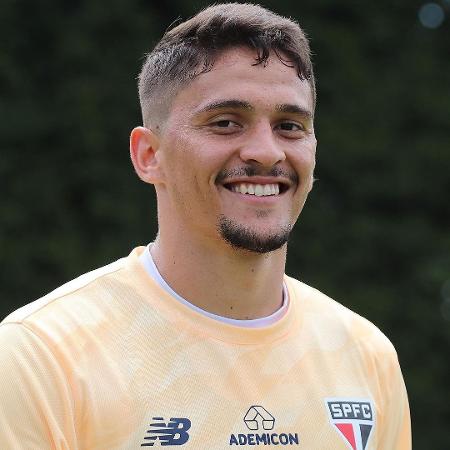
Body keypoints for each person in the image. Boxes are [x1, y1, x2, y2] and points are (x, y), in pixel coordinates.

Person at [0, 3, 411, 449]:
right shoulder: (39, 358)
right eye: (226, 122)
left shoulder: (366, 357)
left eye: (289, 125)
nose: (267, 152)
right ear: (148, 155)